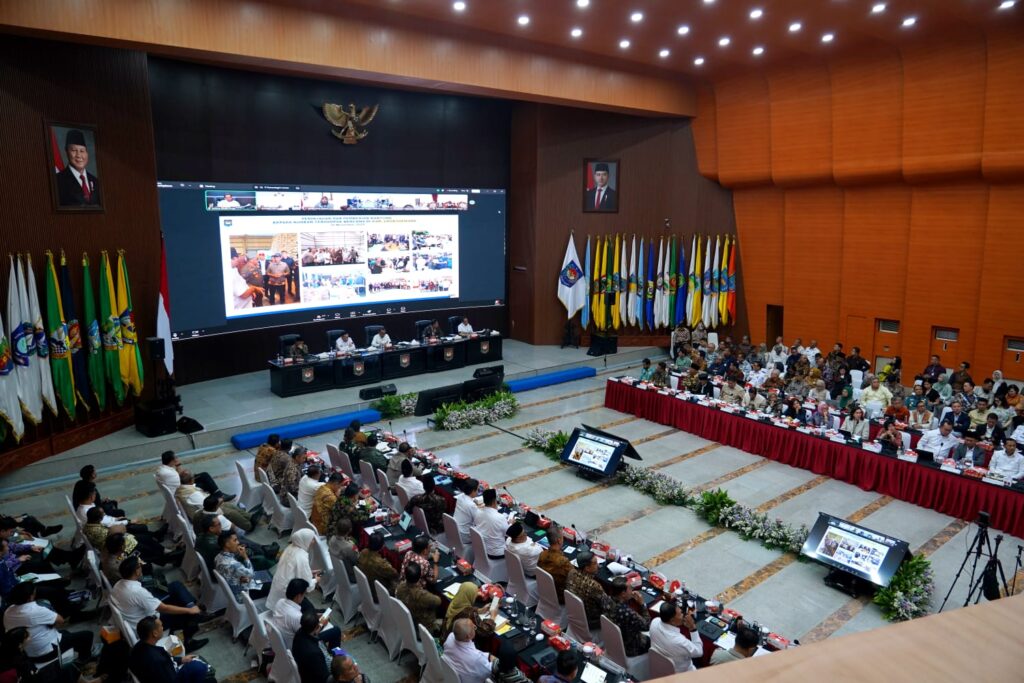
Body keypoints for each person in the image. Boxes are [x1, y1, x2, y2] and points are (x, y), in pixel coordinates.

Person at [110, 556, 208, 650]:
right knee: (187, 612)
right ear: (136, 571)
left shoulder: (118, 585)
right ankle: (189, 640)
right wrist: (189, 610)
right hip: (149, 626)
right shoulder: (137, 592)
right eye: (140, 567)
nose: (141, 568)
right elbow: (164, 608)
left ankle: (193, 607)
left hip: (138, 619)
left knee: (176, 586)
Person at [2, 582, 93, 664]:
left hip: (26, 652)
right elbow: (61, 621)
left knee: (66, 634)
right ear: (30, 597)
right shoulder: (36, 610)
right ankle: (83, 660)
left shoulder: (7, 612)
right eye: (34, 593)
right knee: (88, 635)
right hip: (46, 653)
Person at [129, 616, 210, 683]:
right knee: (199, 667)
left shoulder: (137, 648)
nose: (162, 627)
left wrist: (181, 659)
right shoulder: (157, 660)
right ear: (155, 633)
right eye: (161, 626)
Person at [266, 529, 317, 609]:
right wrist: (316, 580)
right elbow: (307, 585)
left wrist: (309, 572)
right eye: (312, 539)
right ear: (305, 540)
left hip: (276, 593)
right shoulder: (301, 556)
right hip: (287, 597)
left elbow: (291, 570)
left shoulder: (289, 547)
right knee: (310, 608)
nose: (313, 541)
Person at [649, 600, 703, 673]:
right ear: (672, 620)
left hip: (659, 667)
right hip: (682, 673)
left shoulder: (654, 622)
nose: (683, 615)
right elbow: (699, 652)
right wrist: (692, 628)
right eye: (680, 614)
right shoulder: (679, 641)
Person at [565, 550, 613, 630]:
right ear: (587, 568)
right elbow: (609, 606)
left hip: (575, 615)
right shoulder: (594, 586)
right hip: (592, 622)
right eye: (595, 563)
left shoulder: (571, 573)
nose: (598, 566)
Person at [157, 450, 231, 501]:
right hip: (182, 491)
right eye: (175, 457)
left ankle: (218, 494)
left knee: (204, 475)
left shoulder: (163, 469)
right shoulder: (171, 474)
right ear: (172, 461)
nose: (177, 458)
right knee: (205, 483)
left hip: (179, 485)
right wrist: (181, 468)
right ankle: (218, 496)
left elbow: (180, 475)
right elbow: (182, 479)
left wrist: (178, 466)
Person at [214, 530, 268, 600]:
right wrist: (245, 557)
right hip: (242, 594)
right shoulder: (234, 565)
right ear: (227, 544)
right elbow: (251, 574)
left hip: (234, 585)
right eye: (235, 540)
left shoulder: (217, 557)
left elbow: (230, 573)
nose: (238, 542)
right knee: (269, 584)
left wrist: (239, 578)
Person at [55, 128, 101, 206]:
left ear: (87, 153)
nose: (79, 155)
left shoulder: (96, 181)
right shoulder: (57, 181)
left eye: (82, 151)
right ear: (66, 151)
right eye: (74, 150)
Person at [607, 576, 651, 656]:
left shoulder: (607, 600)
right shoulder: (627, 613)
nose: (632, 591)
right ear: (623, 594)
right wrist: (642, 604)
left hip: (614, 640)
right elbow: (647, 626)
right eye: (630, 589)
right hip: (631, 648)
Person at [443, 618, 496, 683]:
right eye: (473, 627)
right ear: (468, 636)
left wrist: (486, 655)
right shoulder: (475, 658)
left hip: (448, 674)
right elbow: (489, 672)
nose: (475, 627)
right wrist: (494, 660)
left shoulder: (450, 637)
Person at [396, 561, 442, 634]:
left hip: (408, 620)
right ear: (419, 577)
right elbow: (438, 601)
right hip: (423, 626)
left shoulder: (400, 587)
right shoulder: (421, 595)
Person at [293, 610, 332, 683]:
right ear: (316, 627)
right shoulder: (314, 653)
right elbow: (326, 678)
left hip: (306, 669)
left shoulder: (299, 633)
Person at [538, 527, 573, 602]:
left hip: (545, 590)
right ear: (559, 540)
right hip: (560, 596)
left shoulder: (542, 555)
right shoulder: (563, 561)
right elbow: (574, 577)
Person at [472, 489, 509, 560]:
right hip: (497, 553)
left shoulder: (478, 512)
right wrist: (510, 524)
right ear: (494, 501)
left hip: (482, 548)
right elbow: (508, 533)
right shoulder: (500, 517)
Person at [358, 532, 397, 598]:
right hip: (378, 593)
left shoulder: (363, 552)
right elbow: (395, 574)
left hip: (366, 586)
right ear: (382, 546)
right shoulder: (381, 564)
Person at [327, 517, 359, 582]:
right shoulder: (349, 547)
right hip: (351, 575)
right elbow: (357, 559)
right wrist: (353, 544)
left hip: (338, 570)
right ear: (350, 530)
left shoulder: (332, 539)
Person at [453, 477, 480, 545]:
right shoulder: (471, 505)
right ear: (473, 491)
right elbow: (478, 520)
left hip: (455, 530)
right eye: (477, 489)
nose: (478, 491)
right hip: (465, 535)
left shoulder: (460, 497)